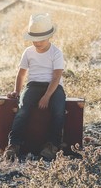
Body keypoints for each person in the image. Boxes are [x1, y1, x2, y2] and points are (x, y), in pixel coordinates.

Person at [4, 13, 66, 160]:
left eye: (41, 39)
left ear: (49, 37)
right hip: (33, 85)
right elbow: (21, 75)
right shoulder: (28, 52)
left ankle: (52, 145)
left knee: (58, 111)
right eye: (34, 39)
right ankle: (14, 144)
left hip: (53, 87)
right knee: (23, 108)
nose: (37, 43)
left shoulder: (56, 53)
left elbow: (56, 77)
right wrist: (16, 91)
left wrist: (46, 97)